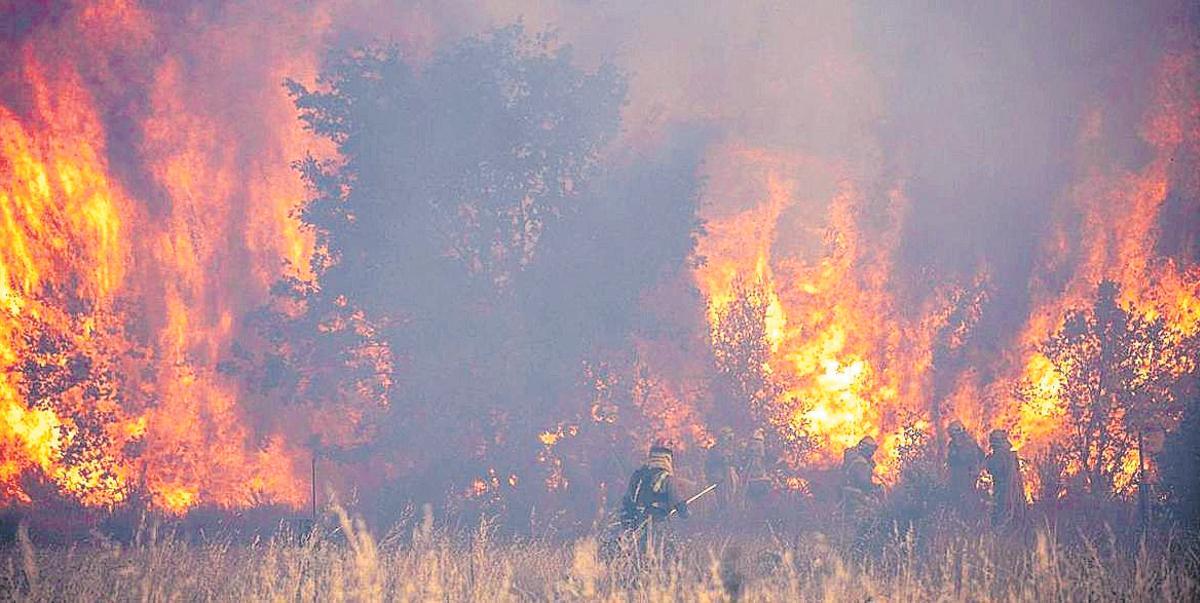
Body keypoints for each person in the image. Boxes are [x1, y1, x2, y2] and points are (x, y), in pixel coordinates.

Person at [620, 439, 690, 557]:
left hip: (637, 522)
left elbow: (628, 500)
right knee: (666, 554)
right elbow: (677, 501)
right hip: (658, 523)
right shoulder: (667, 478)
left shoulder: (638, 476)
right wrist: (684, 512)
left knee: (640, 554)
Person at [985, 429, 1026, 531]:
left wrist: (988, 459)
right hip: (1014, 491)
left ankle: (1002, 536)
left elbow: (993, 469)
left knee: (1001, 515)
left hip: (1003, 490)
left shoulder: (999, 456)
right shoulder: (1011, 455)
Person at [945, 420, 984, 519]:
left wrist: (976, 470)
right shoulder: (953, 445)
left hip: (967, 476)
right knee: (958, 499)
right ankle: (961, 520)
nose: (952, 437)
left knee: (968, 498)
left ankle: (971, 519)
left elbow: (979, 456)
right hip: (957, 477)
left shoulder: (969, 444)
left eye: (953, 435)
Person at [705, 427, 741, 510]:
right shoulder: (714, 450)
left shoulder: (732, 450)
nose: (728, 440)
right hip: (718, 478)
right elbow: (709, 465)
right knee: (721, 495)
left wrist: (731, 461)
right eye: (727, 437)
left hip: (732, 480)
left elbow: (737, 464)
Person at [741, 428, 772, 503]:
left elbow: (761, 456)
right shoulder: (756, 443)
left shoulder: (756, 443)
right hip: (752, 467)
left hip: (756, 467)